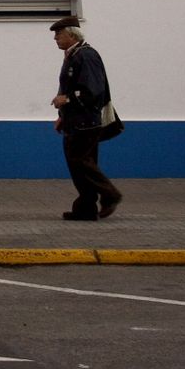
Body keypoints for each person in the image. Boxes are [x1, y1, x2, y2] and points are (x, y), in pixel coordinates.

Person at [49, 16, 122, 221]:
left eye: (58, 34)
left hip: (85, 122)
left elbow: (93, 92)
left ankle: (110, 194)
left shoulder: (86, 56)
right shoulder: (73, 56)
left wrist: (66, 100)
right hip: (75, 121)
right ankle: (86, 208)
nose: (55, 39)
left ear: (72, 35)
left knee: (81, 162)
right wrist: (62, 117)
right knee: (80, 164)